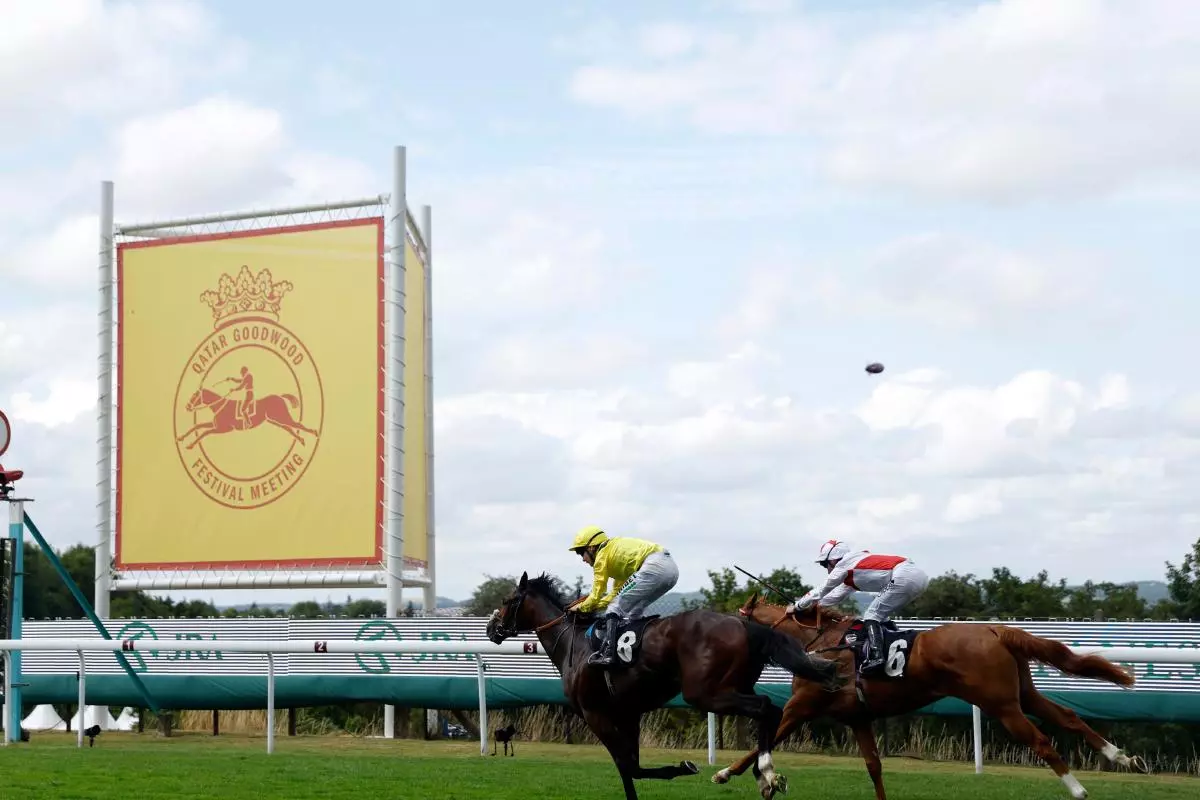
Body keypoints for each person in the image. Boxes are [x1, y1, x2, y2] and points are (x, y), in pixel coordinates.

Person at [786, 540, 929, 675]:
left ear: (834, 558)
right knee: (880, 616)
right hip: (916, 577)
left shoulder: (844, 563)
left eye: (825, 564)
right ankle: (894, 649)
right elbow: (833, 596)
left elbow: (823, 589)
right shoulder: (852, 569)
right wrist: (811, 606)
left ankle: (877, 657)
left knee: (871, 615)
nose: (827, 569)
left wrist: (798, 606)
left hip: (904, 575)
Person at [566, 526, 679, 668]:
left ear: (592, 547)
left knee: (615, 608)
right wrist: (594, 605)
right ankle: (637, 653)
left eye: (581, 552)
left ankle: (609, 654)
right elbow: (616, 594)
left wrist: (581, 607)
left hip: (654, 567)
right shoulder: (615, 555)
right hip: (670, 570)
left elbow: (596, 595)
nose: (582, 559)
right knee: (632, 612)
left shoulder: (602, 556)